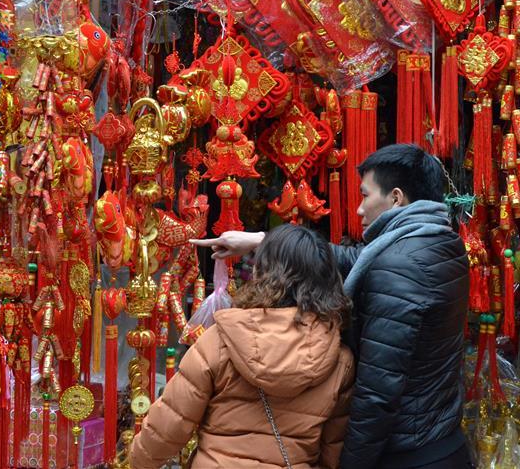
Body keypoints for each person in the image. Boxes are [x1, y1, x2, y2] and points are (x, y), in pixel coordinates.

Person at [192, 144, 471, 469]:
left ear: (396, 198)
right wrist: (261, 241)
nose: (359, 210)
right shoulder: (440, 243)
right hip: (440, 440)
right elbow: (356, 260)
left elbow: (378, 394)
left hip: (407, 454)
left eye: (366, 196)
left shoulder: (399, 267)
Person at [131, 225, 355, 469]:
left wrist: (137, 461)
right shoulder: (338, 359)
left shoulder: (220, 340)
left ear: (262, 274)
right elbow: (334, 449)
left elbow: (168, 426)